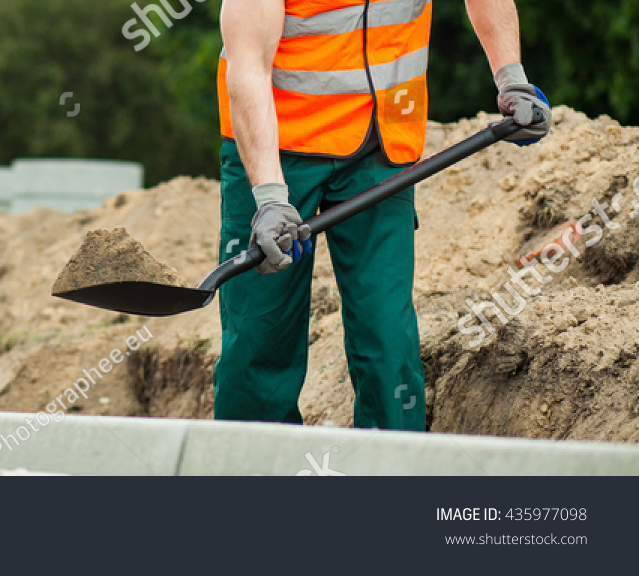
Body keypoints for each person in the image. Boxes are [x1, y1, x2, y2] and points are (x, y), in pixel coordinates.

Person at [214, 0, 548, 429]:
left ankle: (394, 480)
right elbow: (247, 65)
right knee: (259, 342)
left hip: (382, 146)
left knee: (387, 339)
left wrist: (512, 79)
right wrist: (271, 195)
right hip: (275, 149)